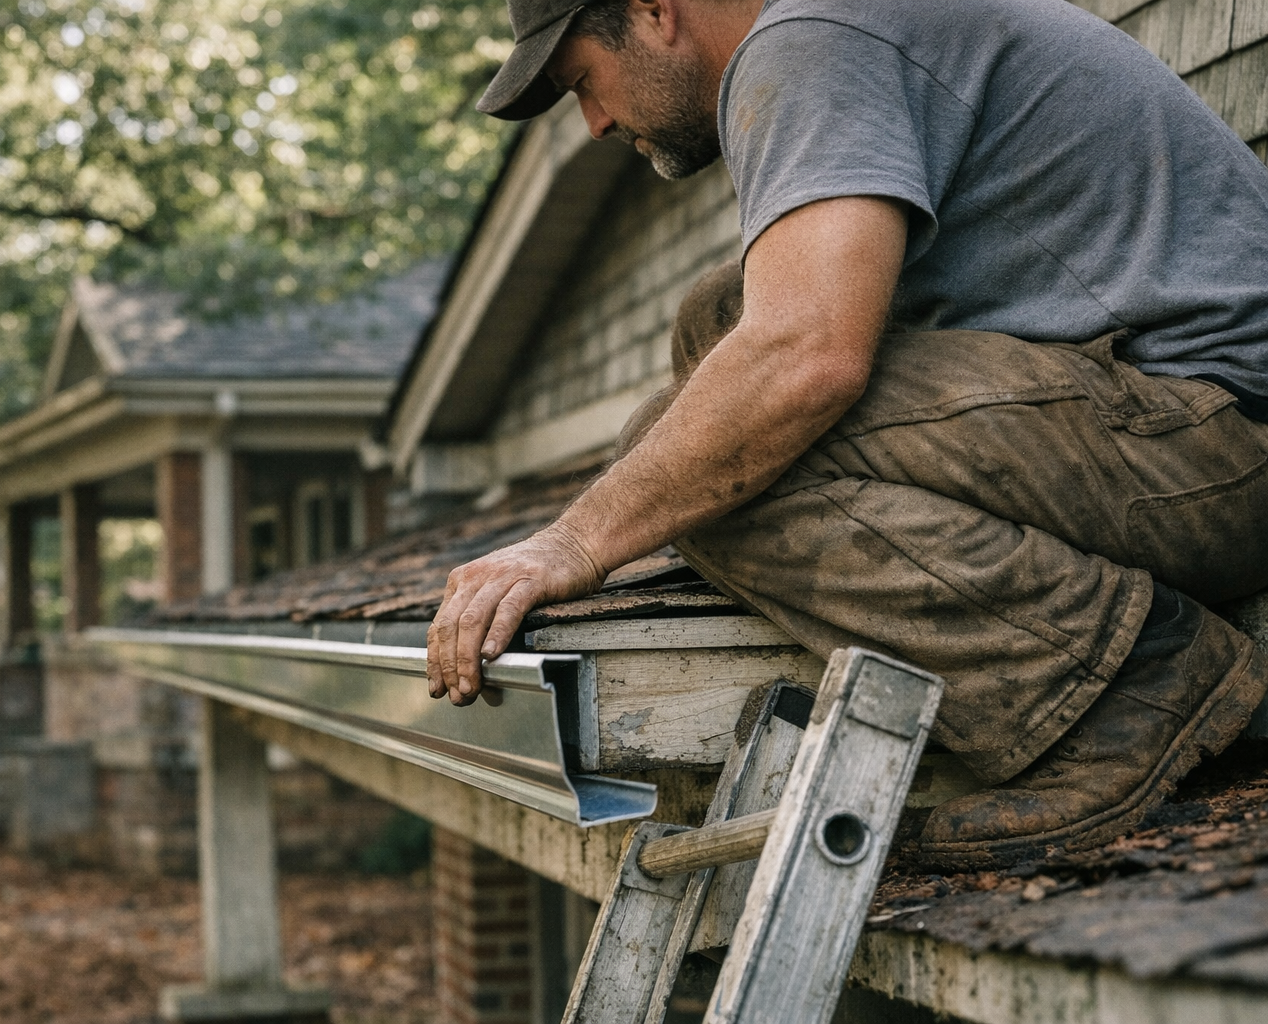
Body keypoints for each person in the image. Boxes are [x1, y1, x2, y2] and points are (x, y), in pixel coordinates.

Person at [425, 0, 1268, 869]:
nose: (594, 123)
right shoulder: (834, 27)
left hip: (1218, 442)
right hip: (1168, 431)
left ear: (652, 10)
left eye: (583, 84)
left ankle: (1127, 689)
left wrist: (570, 543)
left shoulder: (813, 36)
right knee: (716, 331)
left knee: (709, 461)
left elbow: (806, 361)